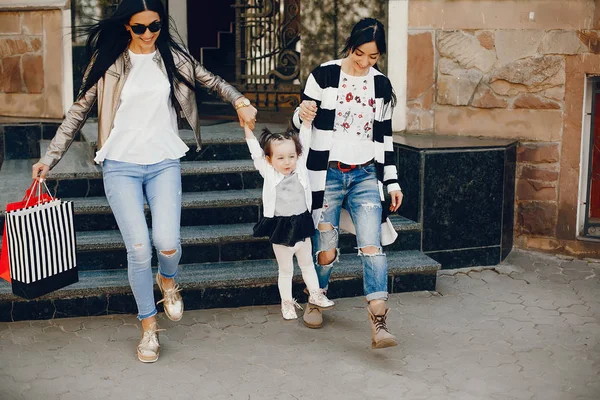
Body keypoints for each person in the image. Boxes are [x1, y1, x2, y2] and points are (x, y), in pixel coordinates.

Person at [31, 0, 257, 363]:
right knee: (138, 250)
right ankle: (149, 328)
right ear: (126, 27)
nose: (150, 34)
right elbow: (78, 111)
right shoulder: (109, 63)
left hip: (163, 161)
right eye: (141, 28)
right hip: (120, 164)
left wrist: (240, 99)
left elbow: (211, 81)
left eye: (155, 27)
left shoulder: (173, 58)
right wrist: (49, 158)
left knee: (167, 243)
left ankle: (167, 280)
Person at [291, 18, 403, 349]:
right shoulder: (323, 75)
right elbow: (298, 122)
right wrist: (302, 113)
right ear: (350, 45)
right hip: (326, 174)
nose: (365, 62)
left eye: (373, 57)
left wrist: (392, 182)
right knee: (325, 249)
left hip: (366, 174)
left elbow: (385, 139)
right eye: (359, 54)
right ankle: (316, 297)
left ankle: (379, 322)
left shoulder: (380, 85)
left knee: (371, 245)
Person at [244, 120, 335, 320]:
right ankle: (287, 303)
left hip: (301, 223)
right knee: (286, 270)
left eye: (291, 156)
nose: (287, 162)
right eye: (281, 158)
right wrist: (247, 129)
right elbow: (254, 152)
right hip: (281, 227)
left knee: (307, 265)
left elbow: (304, 139)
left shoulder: (300, 166)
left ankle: (316, 294)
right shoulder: (267, 170)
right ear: (269, 159)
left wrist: (308, 123)